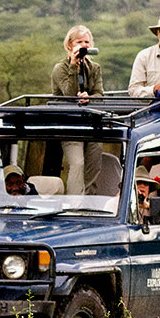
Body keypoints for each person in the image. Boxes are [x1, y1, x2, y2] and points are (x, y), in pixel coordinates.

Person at [52, 25, 104, 195]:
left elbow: (99, 94)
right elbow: (68, 95)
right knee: (77, 164)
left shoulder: (94, 68)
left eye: (87, 42)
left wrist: (89, 98)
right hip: (70, 123)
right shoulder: (60, 69)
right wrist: (74, 66)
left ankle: (90, 205)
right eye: (79, 42)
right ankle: (73, 205)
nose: (84, 45)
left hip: (91, 123)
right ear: (70, 45)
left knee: (93, 166)